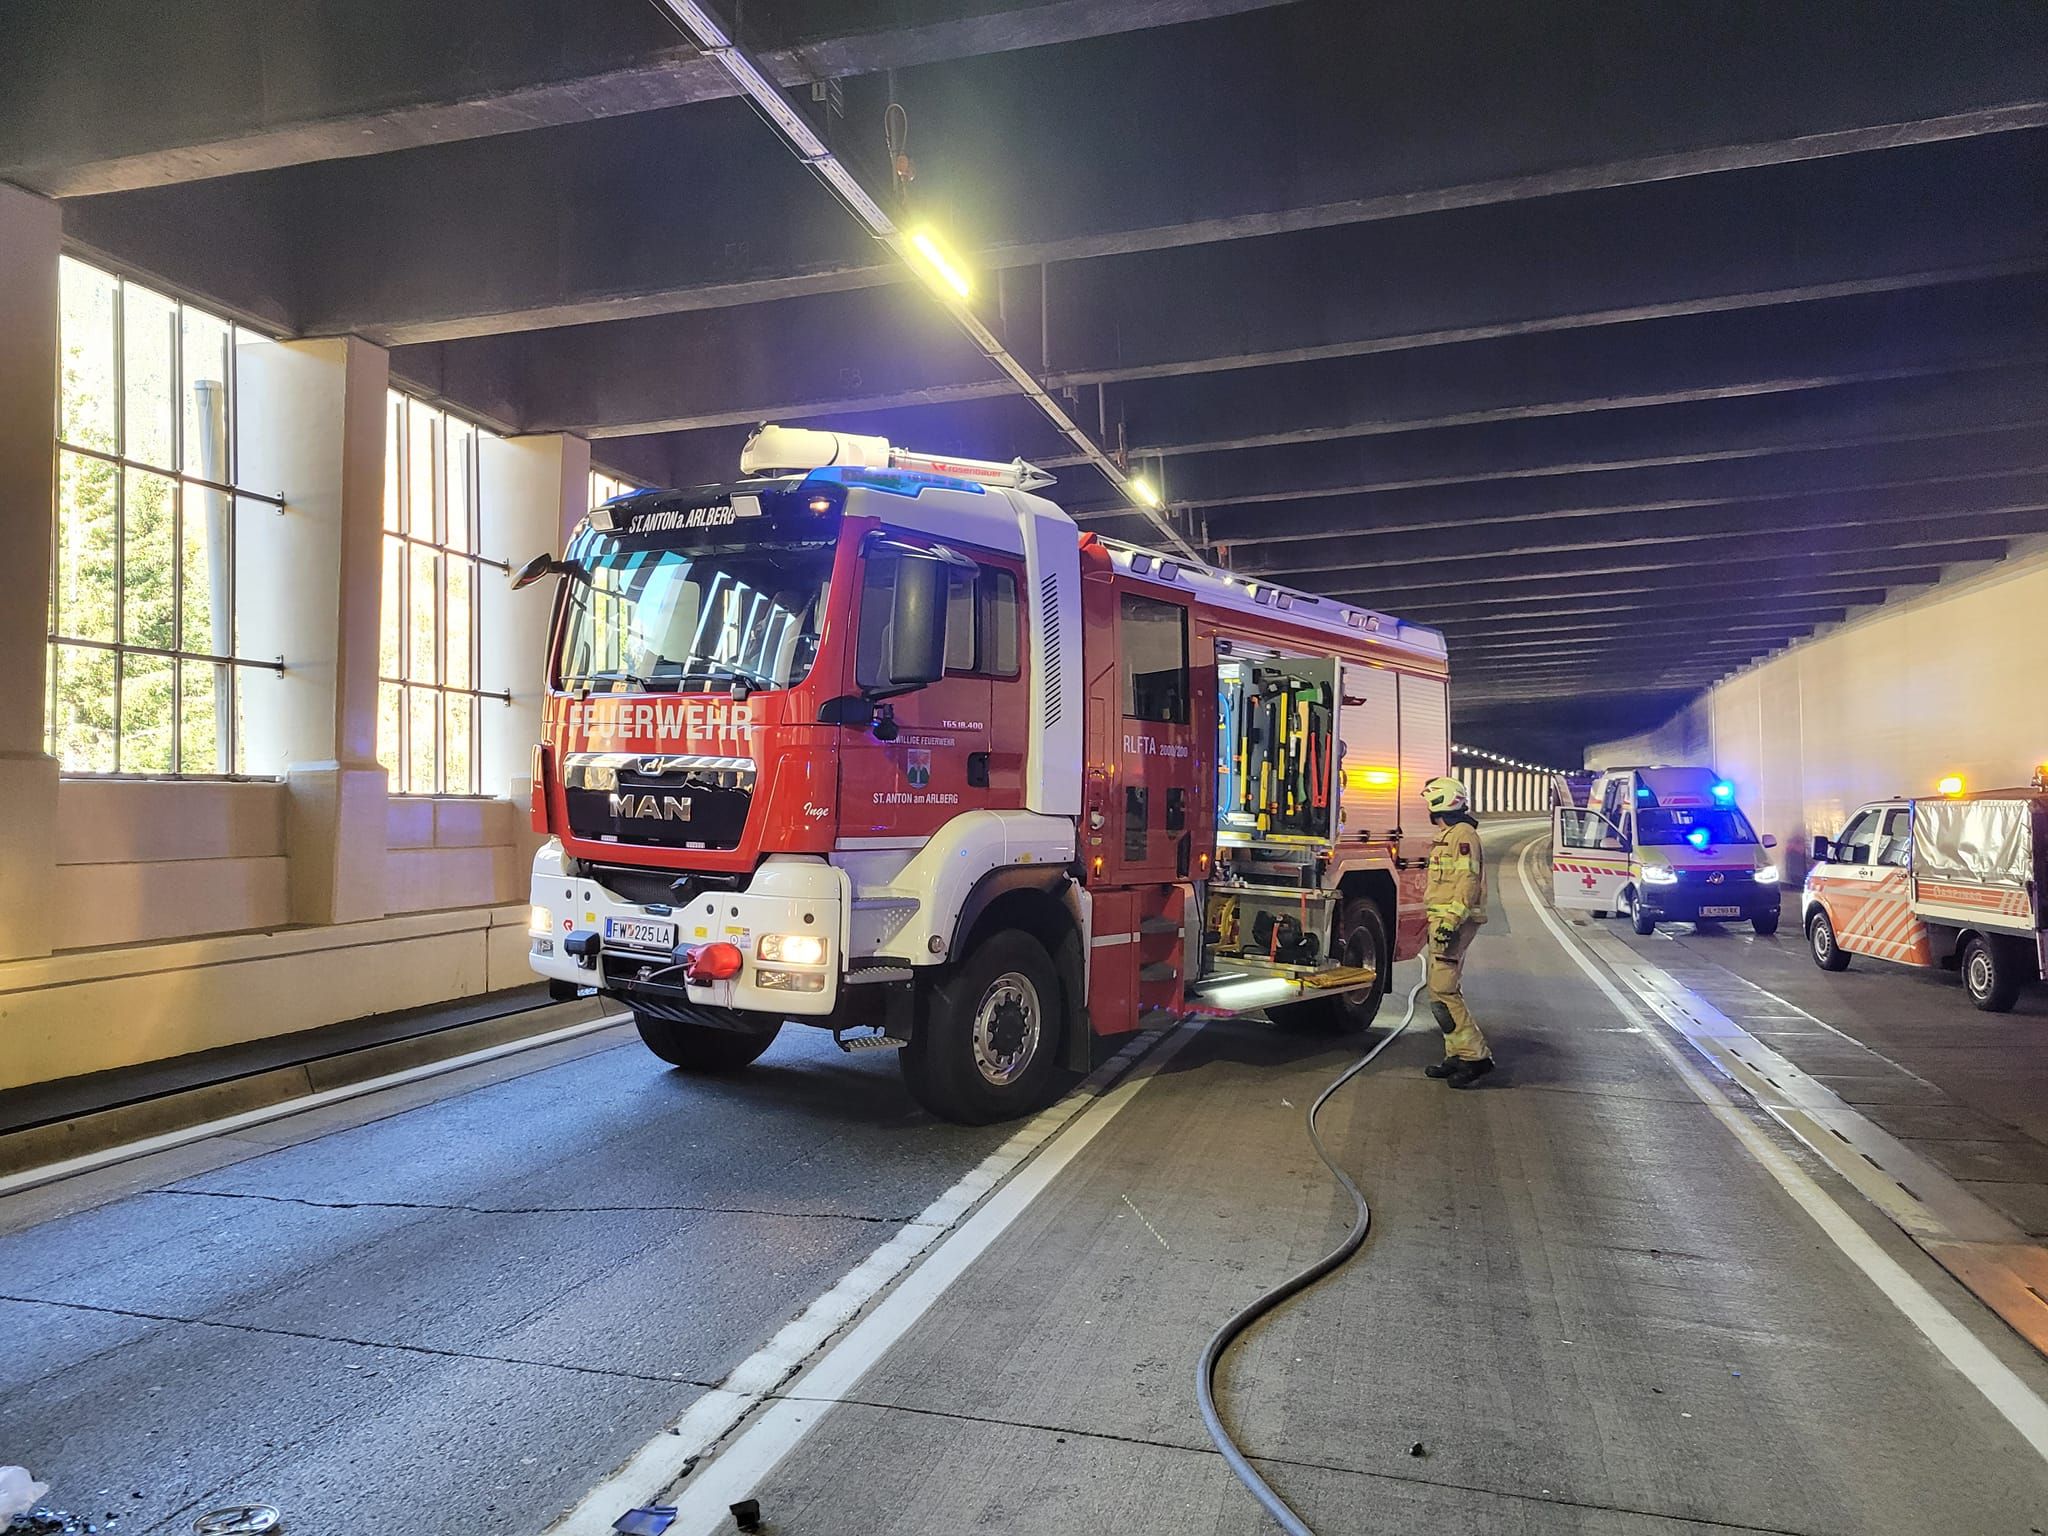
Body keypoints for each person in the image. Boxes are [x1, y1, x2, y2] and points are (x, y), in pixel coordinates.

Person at [1419, 776, 1496, 1087]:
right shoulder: (1451, 833)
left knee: (1445, 989)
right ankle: (1456, 1053)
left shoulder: (1462, 835)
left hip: (1452, 922)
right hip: (1444, 921)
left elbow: (1467, 882)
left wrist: (1451, 921)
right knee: (1438, 990)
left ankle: (1476, 1057)